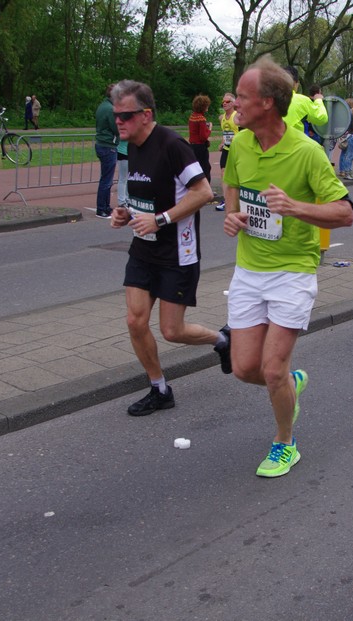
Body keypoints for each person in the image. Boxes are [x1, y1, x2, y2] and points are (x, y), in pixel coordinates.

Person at [222, 56, 353, 477]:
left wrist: (295, 207)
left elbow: (345, 213)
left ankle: (285, 443)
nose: (234, 104)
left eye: (241, 97)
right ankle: (291, 383)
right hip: (249, 270)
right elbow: (231, 182)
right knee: (244, 368)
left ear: (267, 102)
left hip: (293, 271)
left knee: (272, 368)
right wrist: (233, 213)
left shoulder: (307, 152)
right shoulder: (240, 144)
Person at [108, 80, 232, 416]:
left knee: (172, 331)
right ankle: (159, 388)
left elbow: (203, 193)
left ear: (146, 114)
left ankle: (223, 341)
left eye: (126, 115)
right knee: (135, 321)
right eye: (116, 115)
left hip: (178, 252)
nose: (118, 121)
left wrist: (160, 220)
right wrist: (124, 212)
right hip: (143, 249)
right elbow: (141, 195)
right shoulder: (130, 146)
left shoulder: (172, 145)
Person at [94, 83, 119, 218]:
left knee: (106, 178)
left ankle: (105, 206)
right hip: (108, 145)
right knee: (107, 180)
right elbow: (116, 128)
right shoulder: (110, 109)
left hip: (102, 143)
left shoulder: (103, 106)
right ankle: (101, 208)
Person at [282, 66, 328, 133]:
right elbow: (321, 118)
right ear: (296, 83)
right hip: (292, 139)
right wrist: (318, 100)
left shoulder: (267, 99)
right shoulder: (301, 100)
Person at [188, 94, 214, 203]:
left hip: (192, 146)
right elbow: (203, 136)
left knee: (195, 169)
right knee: (205, 168)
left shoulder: (192, 116)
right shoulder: (201, 118)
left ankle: (195, 189)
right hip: (200, 147)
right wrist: (210, 128)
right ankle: (206, 191)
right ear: (203, 106)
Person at [218, 92, 240, 211]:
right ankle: (226, 200)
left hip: (237, 150)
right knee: (223, 172)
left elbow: (244, 133)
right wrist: (222, 142)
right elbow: (225, 133)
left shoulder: (237, 116)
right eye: (223, 102)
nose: (224, 104)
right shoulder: (222, 118)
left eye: (227, 102)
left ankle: (238, 198)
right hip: (227, 149)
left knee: (237, 175)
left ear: (233, 103)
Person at [338, 98, 353, 180]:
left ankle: (349, 171)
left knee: (350, 155)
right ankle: (347, 172)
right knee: (349, 155)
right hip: (352, 137)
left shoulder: (352, 114)